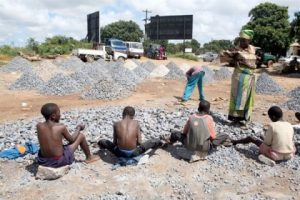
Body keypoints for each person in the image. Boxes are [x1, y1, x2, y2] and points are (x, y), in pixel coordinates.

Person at [36, 103, 99, 168]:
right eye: (59, 112)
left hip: (43, 161)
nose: (60, 115)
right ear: (53, 116)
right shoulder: (60, 127)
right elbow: (72, 139)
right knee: (81, 136)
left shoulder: (39, 126)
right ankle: (89, 157)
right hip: (58, 161)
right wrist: (79, 128)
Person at [98, 106, 162, 158]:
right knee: (153, 141)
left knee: (103, 141)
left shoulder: (116, 124)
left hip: (119, 153)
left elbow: (114, 143)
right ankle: (161, 144)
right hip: (134, 153)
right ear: (132, 116)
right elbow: (139, 142)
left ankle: (100, 145)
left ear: (123, 114)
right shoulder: (136, 123)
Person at [226, 29, 257, 125]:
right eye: (241, 39)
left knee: (247, 98)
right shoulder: (236, 49)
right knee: (237, 97)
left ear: (249, 40)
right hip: (238, 77)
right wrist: (231, 58)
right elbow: (227, 61)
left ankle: (246, 118)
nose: (242, 42)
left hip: (249, 77)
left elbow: (255, 62)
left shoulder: (253, 49)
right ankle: (236, 118)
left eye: (244, 40)